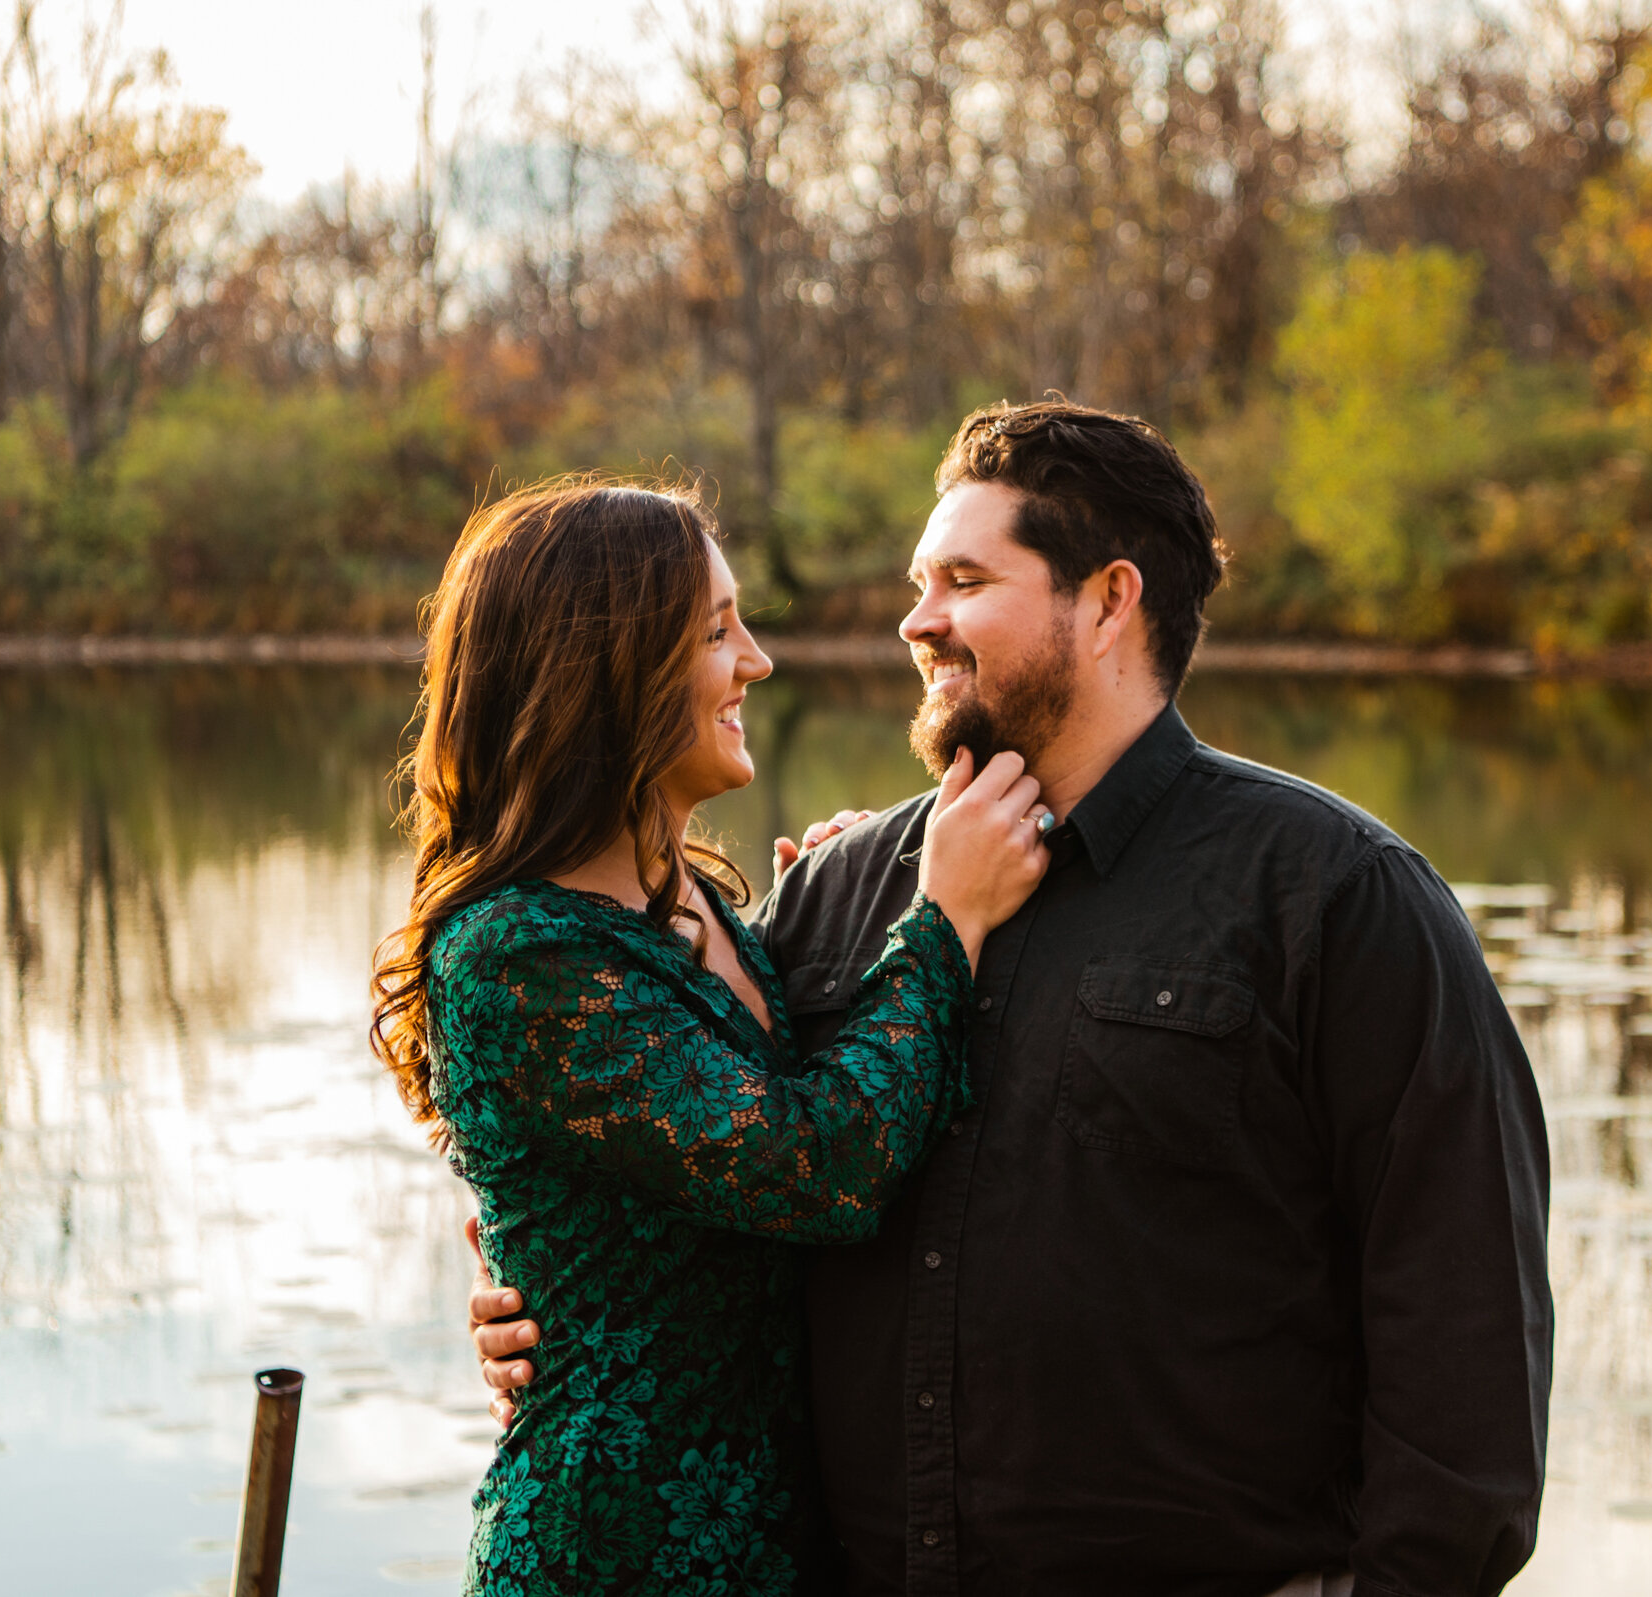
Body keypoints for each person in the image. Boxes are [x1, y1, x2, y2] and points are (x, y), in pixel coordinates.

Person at [472, 401, 1555, 1597]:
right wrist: (540, 1292)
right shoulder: (836, 893)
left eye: (963, 579)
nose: (914, 620)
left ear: (1106, 603)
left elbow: (1465, 1350)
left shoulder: (1338, 898)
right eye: (918, 580)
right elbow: (685, 1151)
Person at [371, 480, 1053, 1595]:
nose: (757, 660)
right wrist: (945, 919)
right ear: (605, 674)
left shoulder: (693, 903)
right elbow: (814, 1166)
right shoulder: (515, 953)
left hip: (779, 1535)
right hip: (621, 1554)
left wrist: (846, 914)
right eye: (716, 630)